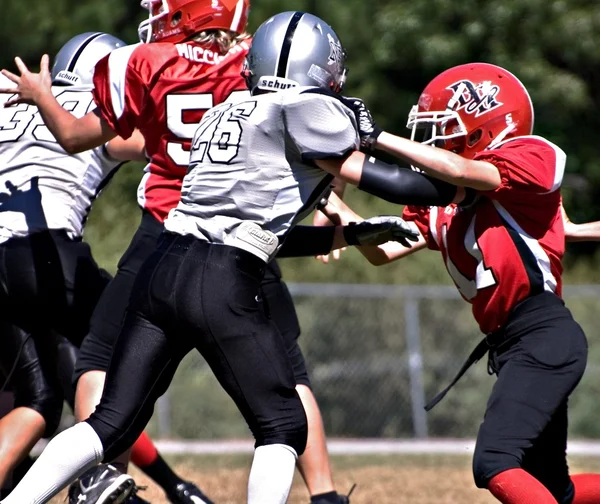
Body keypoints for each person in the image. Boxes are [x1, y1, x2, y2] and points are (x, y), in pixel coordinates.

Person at [0, 9, 472, 504]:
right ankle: (320, 493)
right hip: (223, 276)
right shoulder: (298, 106)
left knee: (109, 421)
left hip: (164, 259)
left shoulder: (219, 112)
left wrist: (348, 236)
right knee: (283, 421)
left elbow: (258, 228)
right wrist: (459, 192)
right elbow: (388, 181)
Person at [317, 62, 600, 504]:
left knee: (495, 462)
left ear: (481, 129)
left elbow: (467, 173)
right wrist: (331, 201)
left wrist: (376, 139)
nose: (432, 140)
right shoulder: (444, 205)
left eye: (443, 128)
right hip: (514, 344)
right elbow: (382, 251)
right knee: (553, 489)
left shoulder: (529, 157)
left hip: (544, 333)